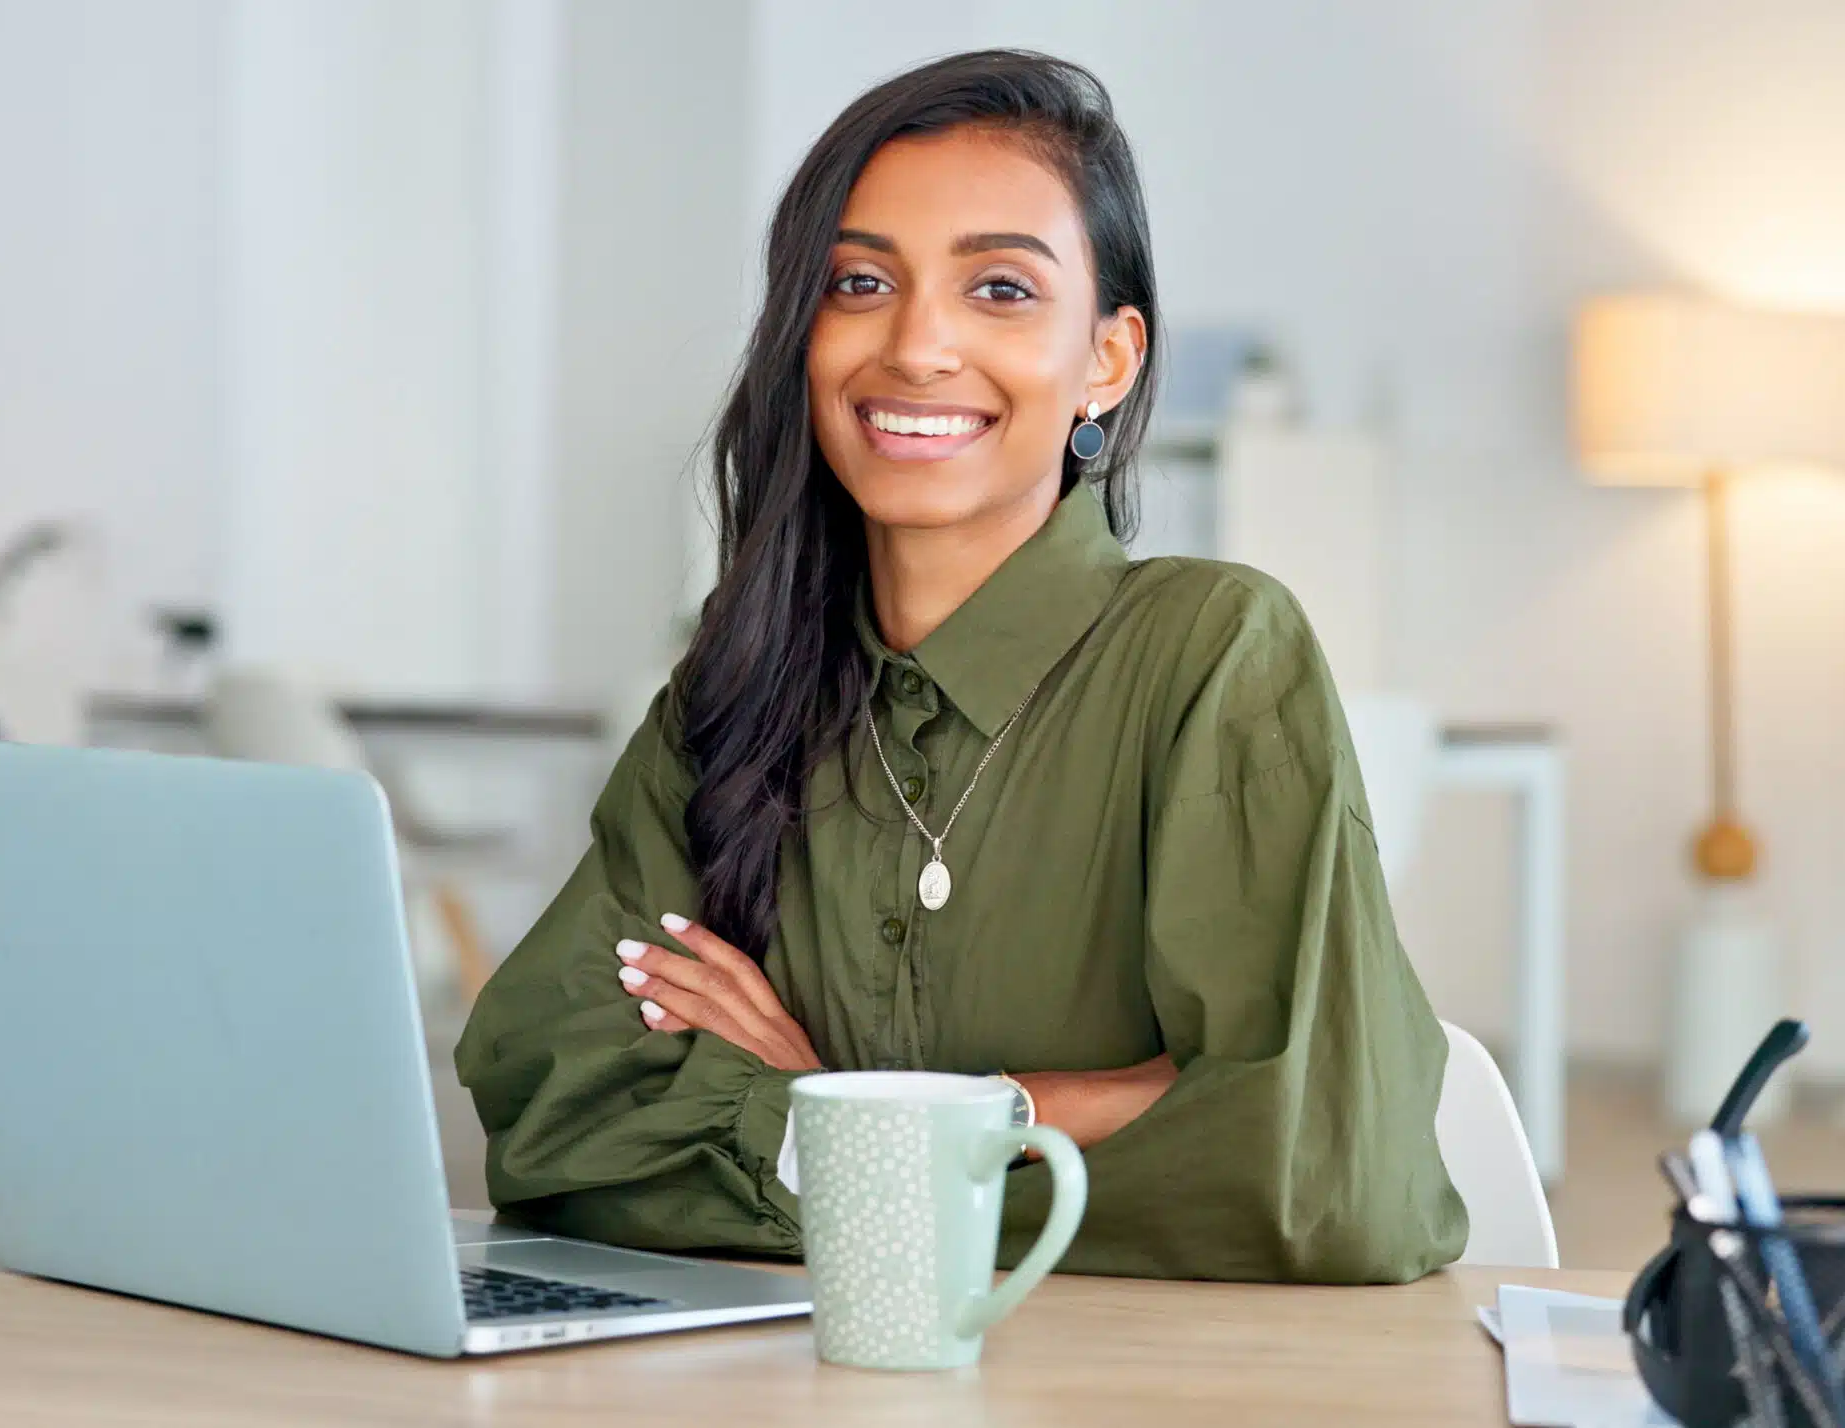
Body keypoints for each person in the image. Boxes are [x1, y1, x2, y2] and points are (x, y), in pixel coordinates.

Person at [455, 49, 1467, 1282]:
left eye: (998, 287)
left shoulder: (1211, 655)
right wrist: (1062, 1112)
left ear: (1108, 357)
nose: (917, 347)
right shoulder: (734, 683)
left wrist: (837, 1118)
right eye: (860, 281)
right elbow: (556, 1119)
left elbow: (1322, 1175)